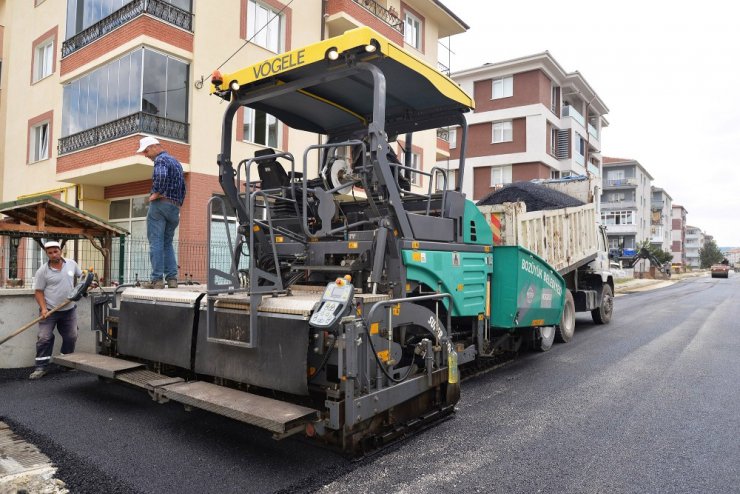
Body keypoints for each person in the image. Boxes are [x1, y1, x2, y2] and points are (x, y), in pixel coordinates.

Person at [136, 136, 186, 289]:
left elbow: (161, 176)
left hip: (160, 205)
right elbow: (183, 187)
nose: (146, 155)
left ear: (153, 147)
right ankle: (172, 279)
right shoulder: (176, 162)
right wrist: (178, 203)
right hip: (174, 207)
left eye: (146, 151)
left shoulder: (160, 160)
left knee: (156, 242)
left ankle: (157, 280)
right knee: (167, 243)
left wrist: (155, 193)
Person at [29, 241, 83, 379]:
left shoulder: (72, 264)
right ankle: (41, 367)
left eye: (56, 251)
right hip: (50, 311)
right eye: (50, 253)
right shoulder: (43, 271)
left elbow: (82, 277)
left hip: (69, 309)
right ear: (47, 254)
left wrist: (89, 284)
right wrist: (43, 308)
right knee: (44, 337)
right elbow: (39, 291)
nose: (54, 254)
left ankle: (66, 363)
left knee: (71, 336)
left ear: (60, 250)